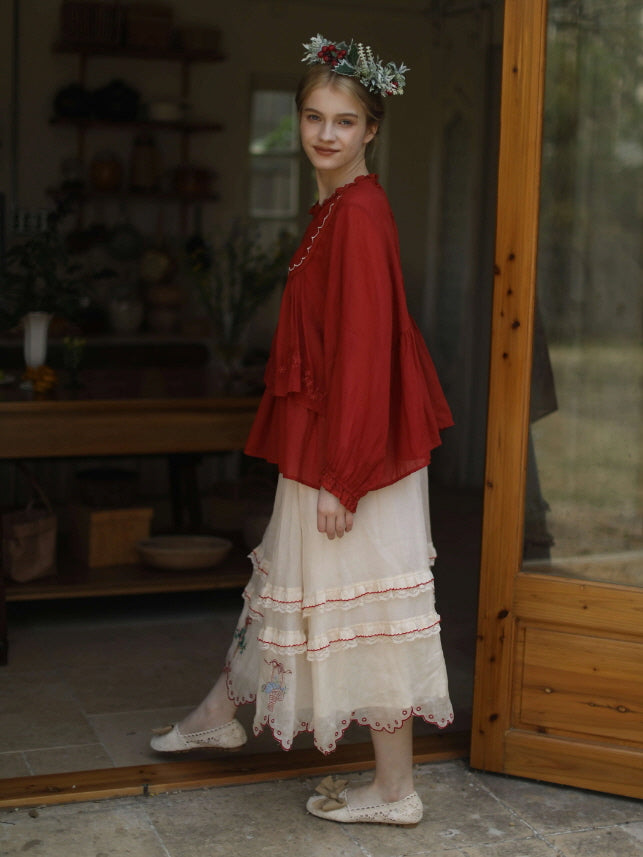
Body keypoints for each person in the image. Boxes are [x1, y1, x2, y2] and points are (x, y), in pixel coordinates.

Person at [151, 34, 454, 828]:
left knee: (365, 608)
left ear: (371, 131)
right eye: (314, 117)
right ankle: (223, 709)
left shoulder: (357, 215)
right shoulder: (335, 208)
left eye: (344, 121)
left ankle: (394, 791)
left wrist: (340, 477)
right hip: (329, 441)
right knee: (294, 587)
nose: (325, 134)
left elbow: (363, 355)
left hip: (351, 452)